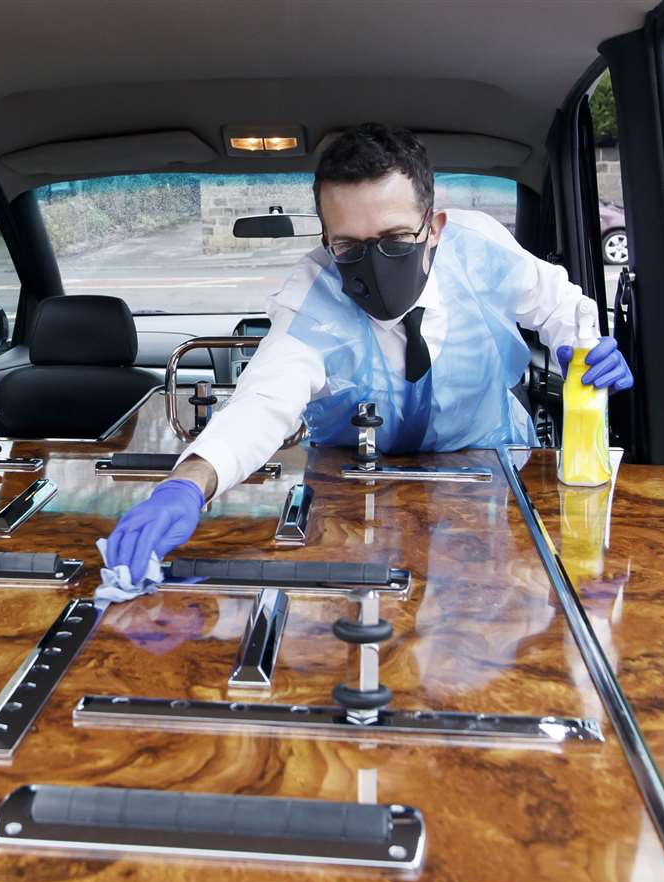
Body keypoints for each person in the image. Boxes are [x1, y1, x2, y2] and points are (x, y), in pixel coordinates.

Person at [102, 123, 633, 583]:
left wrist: (581, 349)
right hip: (352, 497)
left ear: (435, 227)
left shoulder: (481, 248)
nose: (375, 265)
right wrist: (186, 484)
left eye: (397, 237)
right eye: (350, 247)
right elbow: (262, 401)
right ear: (327, 238)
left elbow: (561, 305)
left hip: (491, 478)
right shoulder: (312, 292)